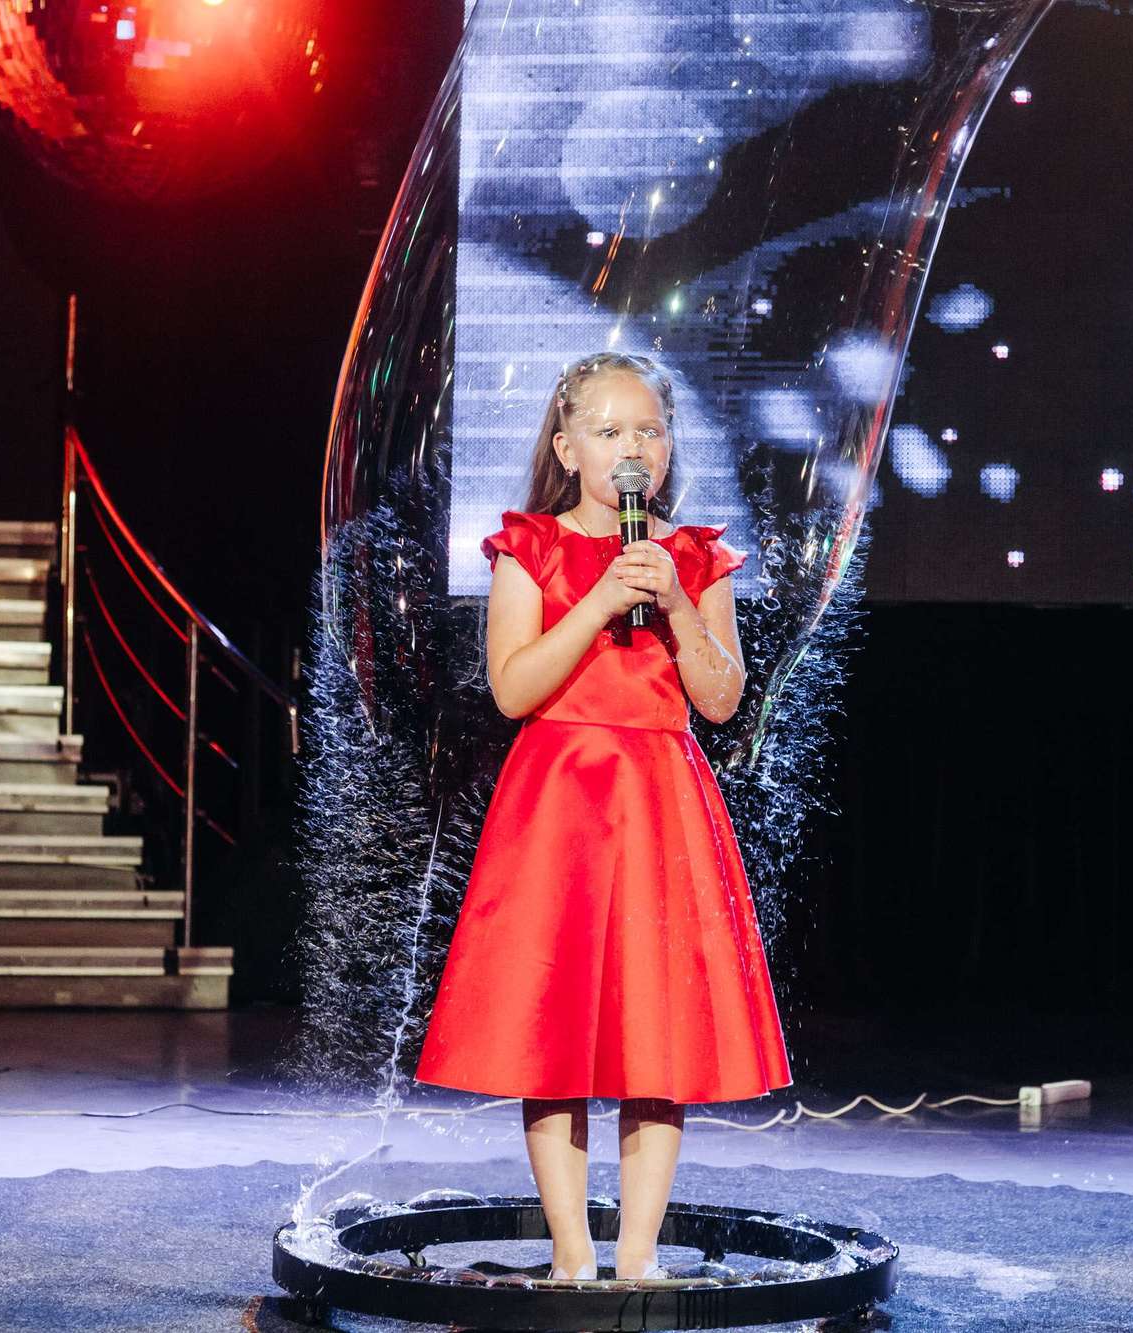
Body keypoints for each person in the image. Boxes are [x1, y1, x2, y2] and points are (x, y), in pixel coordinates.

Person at [415, 351, 790, 1281]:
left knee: (656, 1032)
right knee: (555, 1030)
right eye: (610, 430)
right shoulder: (529, 546)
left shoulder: (694, 556)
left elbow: (720, 699)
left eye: (649, 431)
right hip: (559, 805)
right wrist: (599, 602)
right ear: (567, 447)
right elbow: (513, 688)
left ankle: (638, 1253)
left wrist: (675, 600)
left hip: (661, 802)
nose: (633, 448)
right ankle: (572, 1251)